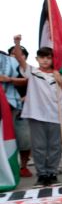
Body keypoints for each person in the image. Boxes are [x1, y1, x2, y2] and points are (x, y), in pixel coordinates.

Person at [12, 36, 62, 186]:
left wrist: (60, 82)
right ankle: (42, 174)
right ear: (37, 59)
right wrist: (17, 43)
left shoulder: (59, 74)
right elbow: (19, 58)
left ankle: (52, 173)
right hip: (37, 115)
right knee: (39, 147)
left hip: (56, 115)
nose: (45, 60)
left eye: (48, 58)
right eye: (42, 57)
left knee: (55, 146)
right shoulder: (32, 72)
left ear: (52, 59)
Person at [0, 47, 31, 177]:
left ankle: (23, 167)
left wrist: (9, 79)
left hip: (14, 107)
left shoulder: (12, 63)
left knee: (24, 139)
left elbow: (27, 81)